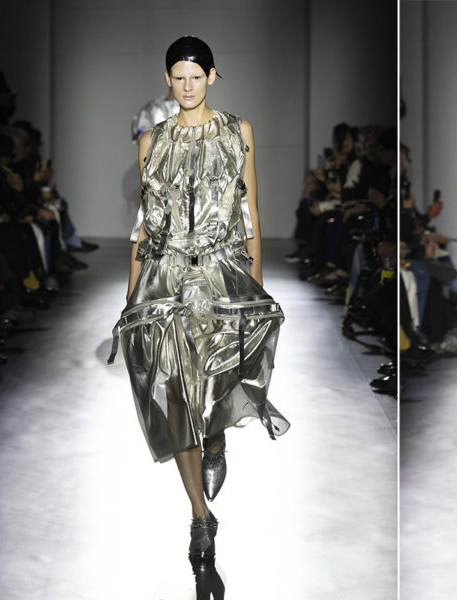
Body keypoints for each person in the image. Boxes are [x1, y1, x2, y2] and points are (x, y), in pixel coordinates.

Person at [108, 36, 289, 559]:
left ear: (211, 76)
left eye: (196, 77)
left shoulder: (238, 131)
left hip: (222, 276)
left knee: (215, 386)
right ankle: (200, 516)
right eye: (178, 78)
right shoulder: (152, 140)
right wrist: (131, 295)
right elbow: (144, 224)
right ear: (167, 79)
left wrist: (255, 281)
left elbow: (250, 212)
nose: (187, 87)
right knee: (175, 398)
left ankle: (216, 438)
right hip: (165, 281)